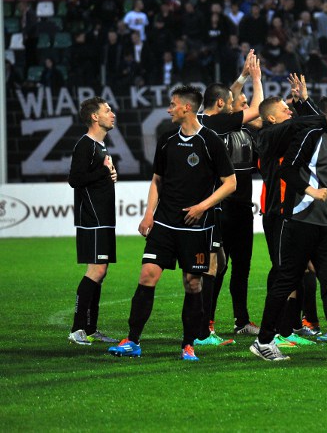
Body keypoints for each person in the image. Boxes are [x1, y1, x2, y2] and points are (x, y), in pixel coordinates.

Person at [108, 86, 236, 361]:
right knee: (147, 276)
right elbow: (158, 180)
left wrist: (202, 207)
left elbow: (230, 183)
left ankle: (188, 344)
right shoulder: (167, 139)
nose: (169, 109)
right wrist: (148, 214)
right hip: (165, 223)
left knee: (192, 284)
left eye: (172, 104)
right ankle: (132, 340)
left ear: (187, 108)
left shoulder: (210, 141)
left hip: (196, 227)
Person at [250, 94, 327, 362]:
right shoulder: (311, 136)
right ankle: (264, 341)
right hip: (301, 221)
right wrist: (310, 191)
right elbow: (288, 170)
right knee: (285, 280)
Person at [195, 51, 264, 344]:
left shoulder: (241, 130)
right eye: (240, 104)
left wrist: (243, 76)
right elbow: (254, 107)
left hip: (243, 207)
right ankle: (206, 323)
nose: (244, 106)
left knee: (241, 267)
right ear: (227, 107)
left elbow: (232, 98)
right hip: (220, 207)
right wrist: (255, 79)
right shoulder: (218, 124)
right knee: (217, 266)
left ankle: (241, 320)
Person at [255, 76, 327, 346]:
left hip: (296, 212)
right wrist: (307, 106)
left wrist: (304, 101)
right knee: (283, 270)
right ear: (271, 118)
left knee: (297, 270)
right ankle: (279, 332)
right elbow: (307, 122)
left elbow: (316, 124)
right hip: (278, 213)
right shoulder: (267, 135)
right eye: (285, 109)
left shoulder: (286, 134)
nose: (290, 111)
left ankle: (290, 327)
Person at [67, 97, 118, 346]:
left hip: (104, 218)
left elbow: (96, 176)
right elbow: (75, 179)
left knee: (101, 271)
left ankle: (90, 328)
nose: (112, 113)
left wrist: (110, 175)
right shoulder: (85, 145)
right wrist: (103, 172)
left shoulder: (100, 146)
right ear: (95, 117)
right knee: (95, 270)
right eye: (107, 110)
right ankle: (77, 329)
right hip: (92, 218)